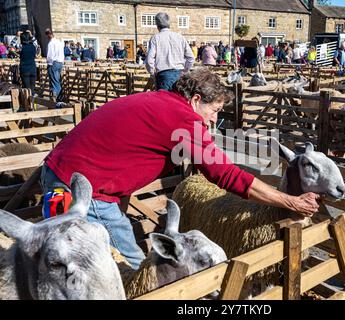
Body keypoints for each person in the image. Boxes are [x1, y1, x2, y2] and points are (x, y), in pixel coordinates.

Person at [40, 67, 322, 269]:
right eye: (214, 111)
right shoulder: (184, 118)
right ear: (196, 100)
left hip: (62, 175)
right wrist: (290, 200)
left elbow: (121, 155)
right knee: (135, 269)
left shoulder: (160, 102)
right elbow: (224, 173)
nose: (214, 120)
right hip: (82, 189)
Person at [145, 12, 195, 91]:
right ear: (169, 24)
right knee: (177, 101)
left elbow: (149, 60)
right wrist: (185, 70)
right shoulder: (180, 37)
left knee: (164, 102)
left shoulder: (155, 38)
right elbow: (191, 57)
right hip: (179, 74)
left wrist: (152, 73)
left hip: (163, 76)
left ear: (157, 25)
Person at [45, 28, 65, 102]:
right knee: (57, 80)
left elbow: (49, 56)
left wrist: (48, 63)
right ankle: (60, 97)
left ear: (48, 35)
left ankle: (56, 98)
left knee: (54, 81)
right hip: (60, 62)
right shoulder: (59, 42)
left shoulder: (51, 43)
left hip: (53, 63)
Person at [19, 32, 37, 96]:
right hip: (33, 69)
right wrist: (31, 35)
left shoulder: (21, 47)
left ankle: (28, 104)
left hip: (24, 69)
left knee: (27, 88)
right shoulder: (33, 46)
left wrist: (16, 36)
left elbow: (11, 46)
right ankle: (33, 103)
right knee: (32, 88)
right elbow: (36, 42)